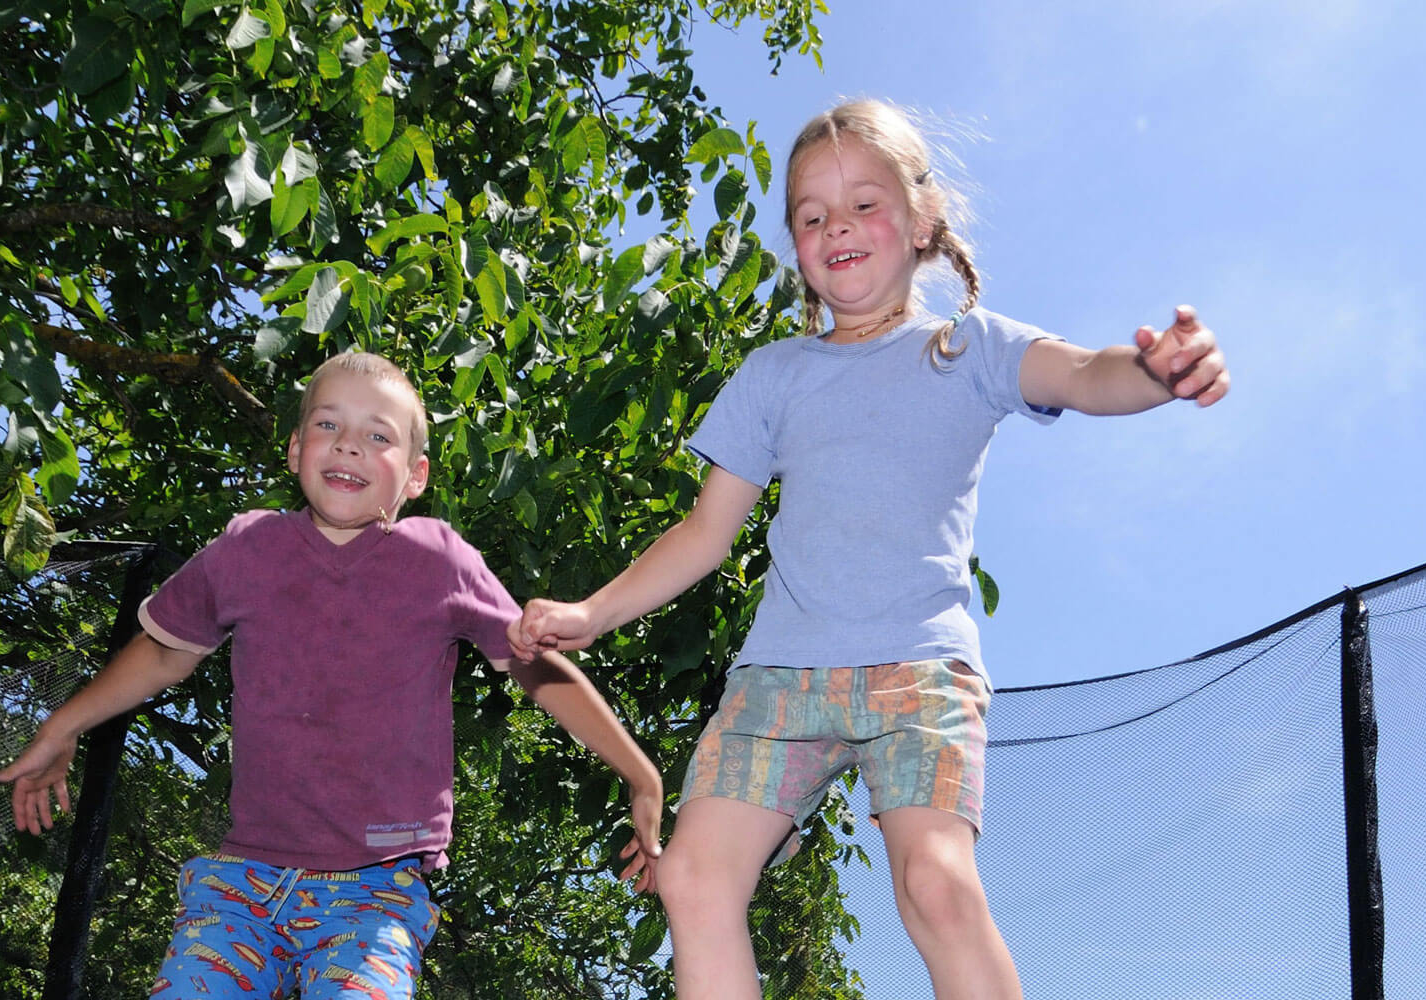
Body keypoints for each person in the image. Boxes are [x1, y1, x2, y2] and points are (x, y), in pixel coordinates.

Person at [510, 98, 1229, 1000]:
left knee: (933, 881)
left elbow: (1084, 374)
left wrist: (1155, 374)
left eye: (863, 204)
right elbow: (703, 532)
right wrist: (590, 612)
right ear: (797, 243)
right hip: (780, 676)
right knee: (692, 875)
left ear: (924, 220)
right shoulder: (774, 374)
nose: (836, 227)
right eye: (812, 216)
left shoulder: (965, 348)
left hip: (919, 671)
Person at [0, 351, 664, 1000]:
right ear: (294, 450)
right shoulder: (245, 550)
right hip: (242, 883)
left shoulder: (440, 561)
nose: (348, 446)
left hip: (374, 892)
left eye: (378, 435)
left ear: (415, 476)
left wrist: (641, 774)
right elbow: (165, 652)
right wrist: (62, 724)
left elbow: (538, 671)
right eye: (328, 425)